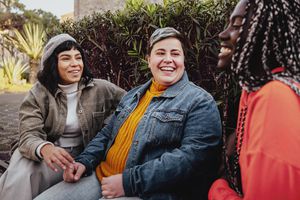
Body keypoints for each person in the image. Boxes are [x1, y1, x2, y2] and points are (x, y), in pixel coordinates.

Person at [34, 27, 222, 200]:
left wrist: (128, 182)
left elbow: (193, 159)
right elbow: (107, 133)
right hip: (101, 176)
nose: (168, 59)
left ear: (183, 60)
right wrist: (83, 162)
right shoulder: (134, 95)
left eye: (175, 53)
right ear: (149, 61)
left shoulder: (199, 101)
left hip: (144, 191)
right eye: (160, 53)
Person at [0, 33, 126, 200]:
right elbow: (28, 135)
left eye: (78, 58)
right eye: (66, 58)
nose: (75, 64)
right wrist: (45, 148)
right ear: (53, 64)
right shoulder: (38, 94)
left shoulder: (101, 88)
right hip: (50, 156)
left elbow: (132, 104)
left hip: (83, 159)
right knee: (23, 169)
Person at [208, 0, 300, 199]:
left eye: (238, 24)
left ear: (272, 30)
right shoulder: (254, 93)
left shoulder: (276, 98)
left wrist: (218, 190)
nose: (223, 34)